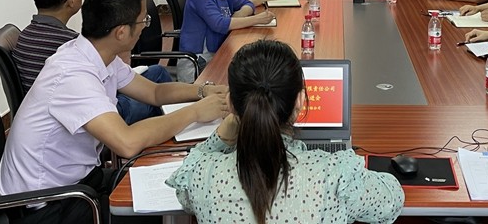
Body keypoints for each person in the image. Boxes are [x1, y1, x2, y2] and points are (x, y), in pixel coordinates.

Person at [0, 0, 229, 224]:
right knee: (153, 209)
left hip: (78, 180)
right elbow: (126, 143)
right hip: (46, 205)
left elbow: (154, 92)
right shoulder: (72, 75)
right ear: (121, 32)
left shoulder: (96, 53)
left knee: (164, 189)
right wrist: (195, 112)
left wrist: (203, 91)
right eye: (144, 20)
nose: (146, 26)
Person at [166, 39, 405, 224]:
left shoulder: (203, 175)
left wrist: (222, 134)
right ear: (300, 101)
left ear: (231, 104)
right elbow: (392, 202)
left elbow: (186, 191)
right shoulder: (335, 175)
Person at [12, 0, 172, 124]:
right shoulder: (72, 46)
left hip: (69, 105)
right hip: (91, 111)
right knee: (156, 84)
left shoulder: (23, 36)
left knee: (155, 75)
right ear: (72, 1)